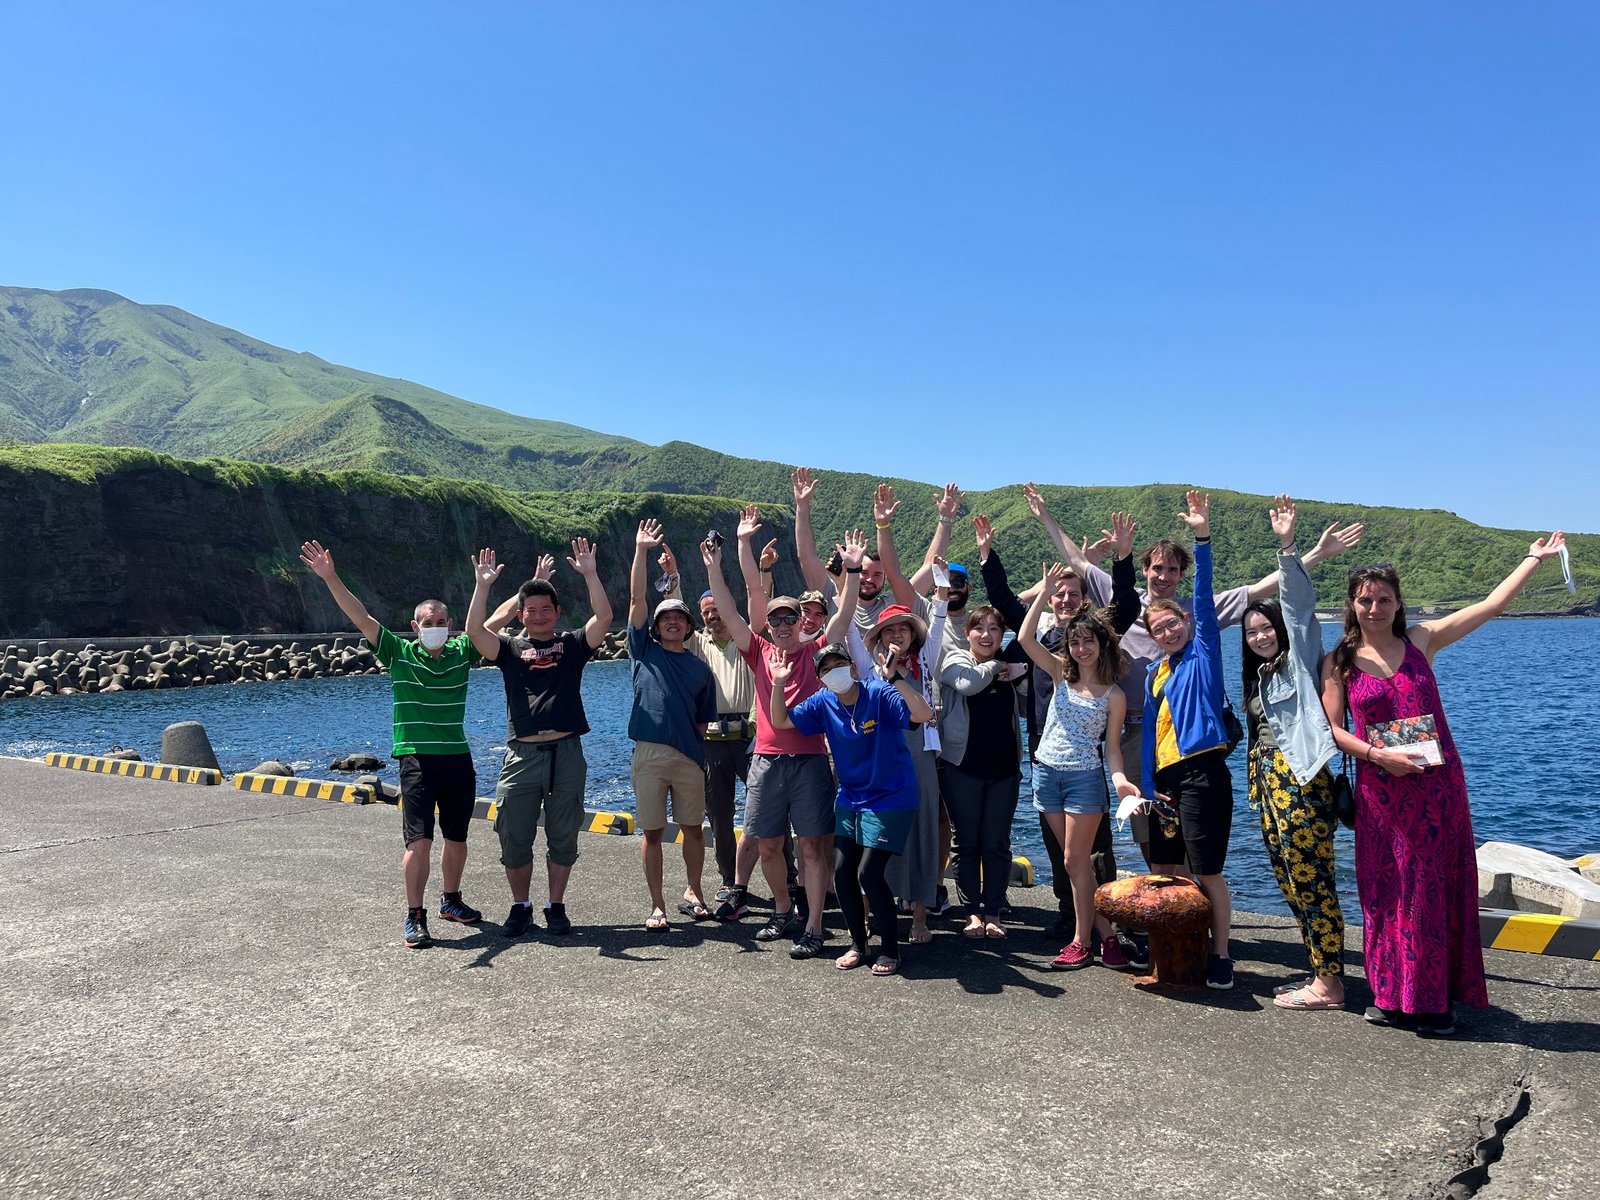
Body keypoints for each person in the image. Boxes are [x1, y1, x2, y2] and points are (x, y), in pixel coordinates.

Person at [1024, 482, 1362, 867]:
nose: (1163, 575)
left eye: (1171, 569)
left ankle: (1190, 907)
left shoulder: (1195, 612)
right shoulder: (1123, 601)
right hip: (1135, 730)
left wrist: (1315, 553)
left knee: (1190, 827)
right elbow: (1078, 561)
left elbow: (1258, 590)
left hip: (1185, 735)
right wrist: (1046, 516)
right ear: (1145, 570)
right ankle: (1164, 905)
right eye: (1156, 568)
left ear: (1181, 573)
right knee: (1148, 826)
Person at [1321, 530, 1567, 1036]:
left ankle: (1433, 1002)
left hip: (1436, 790)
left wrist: (1531, 560)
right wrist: (1379, 756)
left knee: (1432, 891)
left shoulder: (1422, 640)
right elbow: (1332, 731)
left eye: (1384, 599)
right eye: (1365, 599)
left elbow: (1492, 605)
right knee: (1387, 892)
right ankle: (1392, 996)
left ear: (1397, 603)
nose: (1374, 608)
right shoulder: (1339, 662)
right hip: (1382, 790)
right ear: (1351, 603)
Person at [299, 539, 507, 950]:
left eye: (443, 620)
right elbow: (361, 617)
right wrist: (330, 577)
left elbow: (496, 619)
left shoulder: (463, 650)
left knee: (458, 837)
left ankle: (451, 901)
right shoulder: (397, 653)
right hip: (416, 759)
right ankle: (415, 916)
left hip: (457, 759)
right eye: (430, 621)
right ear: (415, 626)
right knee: (419, 841)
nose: (437, 626)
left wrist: (512, 586)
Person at [974, 510, 1140, 935]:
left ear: (1084, 599)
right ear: (1049, 599)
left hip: (1086, 755)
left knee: (1095, 847)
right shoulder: (1047, 646)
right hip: (1044, 748)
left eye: (1072, 594)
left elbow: (1127, 605)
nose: (1064, 600)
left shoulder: (1098, 638)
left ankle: (1109, 923)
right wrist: (987, 554)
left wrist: (1123, 559)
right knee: (1057, 844)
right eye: (1058, 595)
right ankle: (1069, 914)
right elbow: (1007, 603)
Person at [701, 527, 864, 960]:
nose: (785, 624)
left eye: (792, 618)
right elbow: (732, 609)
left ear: (800, 623)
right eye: (777, 619)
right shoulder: (756, 650)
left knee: (812, 845)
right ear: (769, 626)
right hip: (767, 760)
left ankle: (813, 926)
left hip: (810, 761)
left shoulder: (815, 653)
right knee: (768, 843)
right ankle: (782, 909)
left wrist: (850, 569)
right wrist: (717, 566)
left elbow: (843, 616)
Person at [1244, 498, 1361, 1012]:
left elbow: (1297, 609)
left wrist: (1289, 548)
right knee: (1291, 878)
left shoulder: (1299, 663)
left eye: (1266, 627)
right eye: (1251, 632)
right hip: (1267, 782)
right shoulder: (1265, 675)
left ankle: (1331, 986)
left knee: (1312, 878)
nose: (1261, 636)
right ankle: (1321, 973)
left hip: (1300, 779)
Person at [465, 540, 613, 938]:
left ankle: (556, 905)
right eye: (531, 609)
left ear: (557, 613)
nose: (539, 614)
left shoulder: (572, 645)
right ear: (522, 614)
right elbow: (474, 631)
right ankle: (521, 905)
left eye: (547, 608)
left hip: (566, 752)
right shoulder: (510, 648)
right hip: (523, 754)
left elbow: (604, 616)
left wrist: (590, 574)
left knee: (563, 834)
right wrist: (482, 586)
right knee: (513, 834)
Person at [770, 641, 934, 976]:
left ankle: (890, 950)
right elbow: (781, 721)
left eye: (839, 665)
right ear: (821, 679)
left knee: (869, 873)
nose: (835, 673)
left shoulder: (878, 693)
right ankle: (859, 944)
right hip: (851, 798)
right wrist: (777, 683)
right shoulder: (822, 702)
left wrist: (896, 677)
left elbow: (923, 714)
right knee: (842, 872)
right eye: (826, 669)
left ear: (854, 668)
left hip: (891, 798)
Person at [1136, 491, 1243, 989]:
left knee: (1208, 869)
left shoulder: (1203, 653)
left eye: (1173, 623)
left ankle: (1220, 953)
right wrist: (1143, 784)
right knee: (1165, 865)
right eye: (1158, 628)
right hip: (1165, 782)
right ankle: (1175, 944)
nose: (1168, 631)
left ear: (1186, 624)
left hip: (1203, 774)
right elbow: (1147, 737)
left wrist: (1202, 536)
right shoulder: (1156, 672)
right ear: (1152, 635)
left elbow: (1204, 592)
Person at [1015, 562, 1137, 970]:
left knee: (1074, 862)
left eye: (1088, 641)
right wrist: (1042, 590)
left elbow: (1114, 751)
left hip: (1084, 780)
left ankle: (1080, 942)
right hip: (1045, 774)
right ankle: (1108, 939)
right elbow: (1024, 637)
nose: (1081, 648)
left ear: (1102, 644)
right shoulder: (1059, 672)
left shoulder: (1114, 695)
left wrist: (1119, 782)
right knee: (1077, 864)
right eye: (1074, 641)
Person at [626, 520, 719, 931]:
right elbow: (636, 599)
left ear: (688, 625)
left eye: (680, 618)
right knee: (651, 833)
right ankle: (657, 905)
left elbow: (702, 723)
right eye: (665, 618)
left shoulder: (700, 671)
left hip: (689, 756)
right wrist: (641, 552)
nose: (673, 622)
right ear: (656, 626)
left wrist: (693, 755)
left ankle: (694, 891)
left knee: (694, 831)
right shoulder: (642, 652)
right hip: (648, 753)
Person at [866, 578, 949, 945]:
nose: (897, 635)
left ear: (914, 635)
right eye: (889, 630)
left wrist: (942, 589)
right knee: (877, 834)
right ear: (880, 638)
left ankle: (919, 919)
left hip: (920, 755)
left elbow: (941, 619)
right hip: (881, 759)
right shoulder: (869, 669)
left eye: (903, 628)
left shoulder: (927, 660)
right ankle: (876, 915)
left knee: (923, 831)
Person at [937, 604, 1026, 938]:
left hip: (1004, 768)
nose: (987, 635)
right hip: (962, 767)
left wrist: (1020, 672)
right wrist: (999, 665)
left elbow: (1030, 699)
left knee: (997, 842)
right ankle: (972, 911)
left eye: (994, 628)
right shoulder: (956, 660)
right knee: (968, 842)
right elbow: (967, 684)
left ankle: (994, 911)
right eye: (979, 628)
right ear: (967, 633)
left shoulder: (1009, 669)